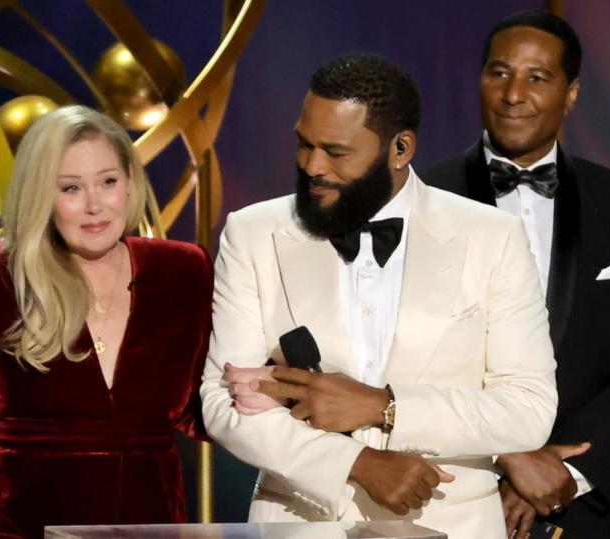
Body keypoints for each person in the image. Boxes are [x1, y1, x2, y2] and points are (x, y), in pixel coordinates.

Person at [201, 52, 558, 537]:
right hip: (301, 520)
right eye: (304, 145)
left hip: (452, 521)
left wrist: (385, 407)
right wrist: (355, 462)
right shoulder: (254, 233)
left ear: (400, 149)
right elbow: (223, 401)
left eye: (336, 151)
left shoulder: (491, 237)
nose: (312, 166)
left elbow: (528, 408)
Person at [424, 11, 610, 539]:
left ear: (571, 93)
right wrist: (507, 458)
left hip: (590, 510)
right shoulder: (419, 200)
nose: (513, 93)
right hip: (451, 497)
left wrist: (567, 471)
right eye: (499, 73)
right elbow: (406, 359)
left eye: (537, 77)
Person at [0, 105, 213, 538]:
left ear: (130, 183)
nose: (95, 205)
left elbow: (198, 409)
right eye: (71, 188)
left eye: (108, 182)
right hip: (27, 528)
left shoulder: (182, 269)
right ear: (41, 194)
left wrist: (270, 397)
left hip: (154, 525)